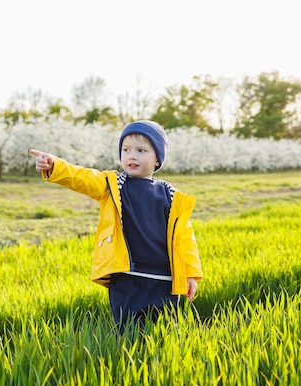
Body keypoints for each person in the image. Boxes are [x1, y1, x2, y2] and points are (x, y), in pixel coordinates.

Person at [30, 120, 202, 332]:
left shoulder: (171, 195)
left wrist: (191, 274)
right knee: (127, 330)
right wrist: (54, 165)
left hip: (163, 278)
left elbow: (185, 239)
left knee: (165, 332)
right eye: (126, 149)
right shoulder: (112, 185)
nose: (132, 156)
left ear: (158, 158)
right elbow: (82, 177)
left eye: (141, 150)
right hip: (126, 275)